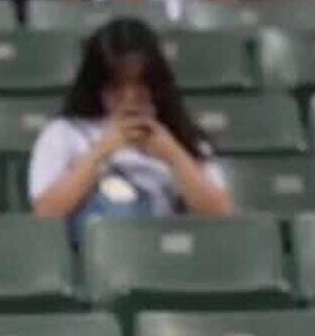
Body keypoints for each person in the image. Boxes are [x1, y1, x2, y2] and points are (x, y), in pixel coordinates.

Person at [27, 17, 231, 239]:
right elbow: (45, 212)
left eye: (141, 84)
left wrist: (172, 154)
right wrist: (101, 152)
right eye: (117, 86)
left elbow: (219, 214)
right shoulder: (64, 132)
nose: (130, 97)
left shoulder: (177, 133)